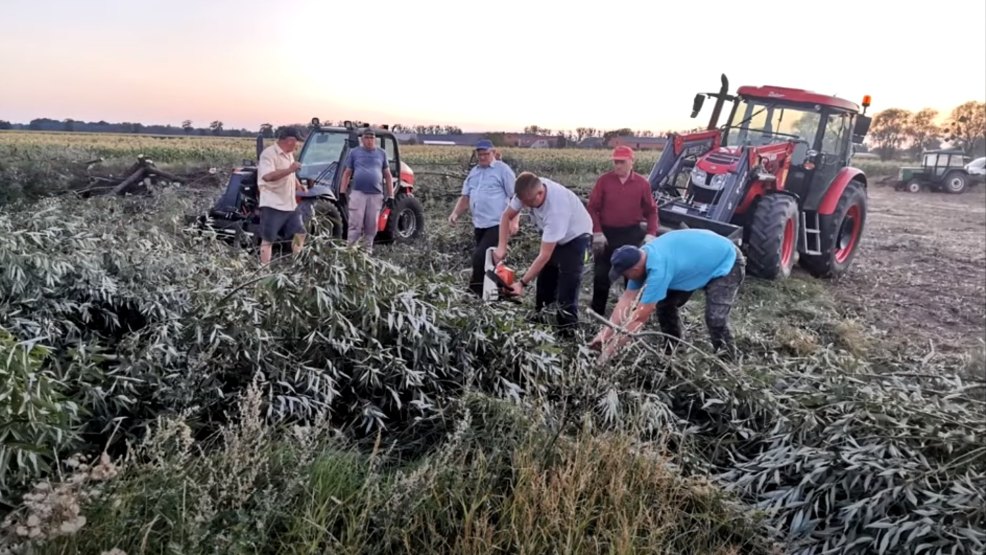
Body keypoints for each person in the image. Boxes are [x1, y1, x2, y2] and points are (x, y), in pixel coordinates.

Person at [589, 229, 746, 361]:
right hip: (697, 261)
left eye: (625, 274)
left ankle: (728, 360)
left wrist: (608, 353)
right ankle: (674, 350)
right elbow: (626, 300)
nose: (625, 278)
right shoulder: (640, 259)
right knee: (665, 305)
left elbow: (638, 318)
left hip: (727, 260)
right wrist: (604, 335)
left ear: (634, 269)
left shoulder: (658, 269)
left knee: (715, 318)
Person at [493, 171, 593, 335]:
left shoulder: (556, 210)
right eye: (523, 203)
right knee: (545, 281)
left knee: (567, 288)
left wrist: (521, 284)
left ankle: (567, 332)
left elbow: (544, 255)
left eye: (529, 203)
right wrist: (501, 246)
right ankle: (541, 322)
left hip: (576, 237)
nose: (526, 207)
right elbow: (506, 216)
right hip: (554, 235)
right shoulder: (526, 189)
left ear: (540, 194)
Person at [587, 145, 659, 316]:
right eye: (616, 162)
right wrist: (597, 231)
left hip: (631, 234)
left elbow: (651, 211)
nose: (618, 165)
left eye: (622, 162)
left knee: (632, 276)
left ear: (631, 162)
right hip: (607, 235)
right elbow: (592, 208)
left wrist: (651, 233)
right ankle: (597, 313)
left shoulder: (642, 184)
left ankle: (628, 315)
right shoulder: (604, 181)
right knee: (601, 276)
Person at [448, 139, 519, 296]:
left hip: (498, 224)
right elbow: (465, 197)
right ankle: (500, 291)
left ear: (493, 153)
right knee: (492, 260)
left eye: (485, 154)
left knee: (480, 257)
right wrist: (455, 213)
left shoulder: (503, 170)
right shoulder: (474, 172)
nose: (482, 157)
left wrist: (514, 221)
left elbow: (516, 197)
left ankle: (475, 292)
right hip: (479, 224)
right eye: (479, 154)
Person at [256, 126, 307, 265]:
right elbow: (267, 176)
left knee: (300, 233)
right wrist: (290, 169)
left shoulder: (289, 154)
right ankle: (264, 268)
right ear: (290, 140)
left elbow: (290, 174)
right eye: (297, 141)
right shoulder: (268, 154)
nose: (298, 145)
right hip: (274, 203)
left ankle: (296, 263)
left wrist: (298, 184)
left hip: (289, 203)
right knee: (268, 239)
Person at [339, 128, 394, 251]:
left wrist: (391, 195)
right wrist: (342, 192)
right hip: (358, 194)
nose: (369, 140)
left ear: (375, 140)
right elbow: (347, 173)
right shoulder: (354, 153)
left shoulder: (381, 153)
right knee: (355, 224)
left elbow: (388, 175)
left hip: (376, 195)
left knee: (371, 226)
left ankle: (366, 251)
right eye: (367, 138)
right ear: (362, 139)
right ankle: (351, 250)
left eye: (372, 138)